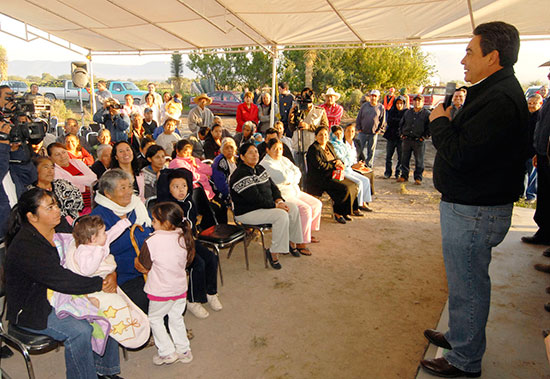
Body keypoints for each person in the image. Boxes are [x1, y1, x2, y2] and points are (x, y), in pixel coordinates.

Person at [420, 22, 529, 378]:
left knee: (468, 284)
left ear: (492, 57)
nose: (463, 59)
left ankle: (464, 360)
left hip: (475, 211)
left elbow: (461, 154)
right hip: (472, 207)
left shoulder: (499, 99)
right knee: (464, 282)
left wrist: (439, 121)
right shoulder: (495, 91)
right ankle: (459, 337)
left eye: (470, 51)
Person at [5, 188, 121, 378]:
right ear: (32, 217)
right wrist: (99, 283)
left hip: (62, 292)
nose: (57, 210)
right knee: (80, 330)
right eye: (49, 207)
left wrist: (111, 274)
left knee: (109, 308)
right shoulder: (25, 246)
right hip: (33, 307)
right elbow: (60, 279)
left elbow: (93, 250)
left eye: (56, 205)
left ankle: (105, 371)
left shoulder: (59, 227)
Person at [50, 215, 150, 350]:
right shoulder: (83, 251)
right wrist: (98, 251)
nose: (106, 234)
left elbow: (111, 234)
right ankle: (125, 329)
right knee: (114, 305)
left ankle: (134, 325)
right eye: (102, 232)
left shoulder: (100, 241)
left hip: (104, 278)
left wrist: (124, 223)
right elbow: (87, 271)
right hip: (92, 288)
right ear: (93, 238)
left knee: (123, 302)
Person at [156, 168, 222, 319]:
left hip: (190, 241)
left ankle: (210, 292)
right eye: (175, 186)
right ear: (169, 188)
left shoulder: (189, 202)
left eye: (184, 186)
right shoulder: (166, 207)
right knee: (197, 264)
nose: (181, 190)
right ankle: (193, 300)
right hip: (174, 248)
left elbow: (192, 225)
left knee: (211, 258)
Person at [137, 202, 194, 365]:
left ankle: (167, 352)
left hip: (161, 291)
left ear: (166, 223)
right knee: (176, 317)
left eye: (154, 221)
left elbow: (144, 264)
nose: (152, 223)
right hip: (180, 288)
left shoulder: (152, 241)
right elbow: (188, 261)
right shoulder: (184, 236)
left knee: (155, 319)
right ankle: (184, 350)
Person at [230, 143, 302, 269]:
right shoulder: (239, 174)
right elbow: (255, 199)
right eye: (250, 153)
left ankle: (292, 243)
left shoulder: (260, 169)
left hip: (264, 207)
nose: (255, 155)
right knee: (280, 215)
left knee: (293, 208)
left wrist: (279, 200)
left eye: (256, 152)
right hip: (247, 212)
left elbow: (273, 188)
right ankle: (273, 252)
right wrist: (275, 205)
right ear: (242, 157)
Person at [91, 169, 153, 313]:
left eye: (130, 186)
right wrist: (133, 264)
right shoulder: (97, 218)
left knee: (172, 290)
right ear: (108, 193)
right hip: (123, 273)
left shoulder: (137, 206)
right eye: (123, 188)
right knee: (144, 299)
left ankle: (168, 327)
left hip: (150, 263)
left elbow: (152, 232)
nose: (129, 192)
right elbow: (98, 256)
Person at [260, 138, 321, 254]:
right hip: (283, 194)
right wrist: (291, 178)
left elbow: (298, 172)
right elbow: (282, 178)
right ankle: (300, 241)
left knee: (316, 204)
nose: (278, 151)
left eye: (280, 149)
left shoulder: (284, 159)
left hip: (294, 189)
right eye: (275, 149)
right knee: (305, 209)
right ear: (268, 150)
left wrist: (290, 179)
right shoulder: (265, 164)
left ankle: (306, 233)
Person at [305, 126, 359, 224]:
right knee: (343, 188)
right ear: (316, 136)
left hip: (332, 174)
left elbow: (337, 157)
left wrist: (339, 162)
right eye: (320, 135)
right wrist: (333, 166)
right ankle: (337, 213)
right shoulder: (313, 149)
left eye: (325, 134)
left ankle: (346, 212)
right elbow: (320, 165)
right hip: (320, 178)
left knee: (353, 185)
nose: (323, 137)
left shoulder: (329, 145)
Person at [169, 139, 226, 225]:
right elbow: (192, 177)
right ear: (178, 151)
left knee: (222, 206)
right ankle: (210, 229)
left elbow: (210, 171)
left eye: (189, 153)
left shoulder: (193, 160)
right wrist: (203, 176)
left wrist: (197, 165)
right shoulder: (176, 162)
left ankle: (221, 228)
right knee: (214, 209)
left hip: (207, 192)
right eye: (185, 152)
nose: (188, 155)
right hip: (194, 194)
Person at [30, 156, 83, 226]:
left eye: (52, 168)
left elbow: (78, 202)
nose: (50, 171)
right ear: (35, 169)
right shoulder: (31, 192)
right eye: (45, 167)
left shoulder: (62, 184)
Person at [330, 125, 373, 212]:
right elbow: (340, 159)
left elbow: (350, 157)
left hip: (349, 168)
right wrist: (348, 162)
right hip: (341, 171)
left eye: (339, 133)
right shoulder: (332, 145)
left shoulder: (342, 144)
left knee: (365, 180)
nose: (338, 136)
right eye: (336, 134)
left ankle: (363, 203)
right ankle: (356, 207)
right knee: (358, 182)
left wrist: (358, 163)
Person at [48, 142, 96, 214]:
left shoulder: (77, 162)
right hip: (75, 208)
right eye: (57, 154)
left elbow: (93, 178)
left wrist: (73, 179)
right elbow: (66, 188)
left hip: (93, 202)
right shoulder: (54, 170)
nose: (62, 156)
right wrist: (85, 187)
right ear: (50, 158)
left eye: (64, 152)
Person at [288, 88, 329, 171]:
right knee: (298, 171)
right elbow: (291, 128)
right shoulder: (297, 110)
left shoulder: (320, 111)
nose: (306, 98)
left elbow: (325, 128)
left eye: (308, 95)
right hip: (298, 145)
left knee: (311, 171)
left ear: (313, 97)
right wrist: (291, 116)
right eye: (304, 96)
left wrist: (309, 127)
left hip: (312, 146)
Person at [397, 95, 431, 185]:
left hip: (418, 141)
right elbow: (401, 124)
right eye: (415, 101)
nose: (417, 102)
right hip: (407, 139)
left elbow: (429, 128)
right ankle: (404, 176)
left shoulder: (427, 114)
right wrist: (401, 134)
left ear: (423, 102)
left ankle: (418, 178)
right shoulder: (408, 112)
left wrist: (423, 137)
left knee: (419, 160)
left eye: (419, 101)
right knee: (404, 159)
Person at [355, 89, 386, 168]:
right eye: (372, 96)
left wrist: (378, 131)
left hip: (373, 133)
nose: (373, 98)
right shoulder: (364, 106)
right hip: (362, 132)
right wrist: (358, 128)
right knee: (359, 149)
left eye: (375, 96)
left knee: (371, 151)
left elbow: (382, 120)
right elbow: (359, 117)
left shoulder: (381, 107)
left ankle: (368, 166)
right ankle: (357, 165)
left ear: (378, 97)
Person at [383, 95, 407, 179]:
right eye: (397, 103)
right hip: (391, 136)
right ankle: (387, 172)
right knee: (389, 156)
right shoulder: (391, 111)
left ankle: (398, 173)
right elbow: (390, 122)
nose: (399, 105)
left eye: (401, 103)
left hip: (401, 138)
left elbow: (405, 124)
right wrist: (399, 122)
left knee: (401, 157)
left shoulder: (406, 112)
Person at [211, 137, 238, 205]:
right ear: (222, 150)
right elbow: (221, 185)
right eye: (226, 148)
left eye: (231, 147)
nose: (229, 150)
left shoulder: (238, 159)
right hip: (223, 193)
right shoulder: (219, 162)